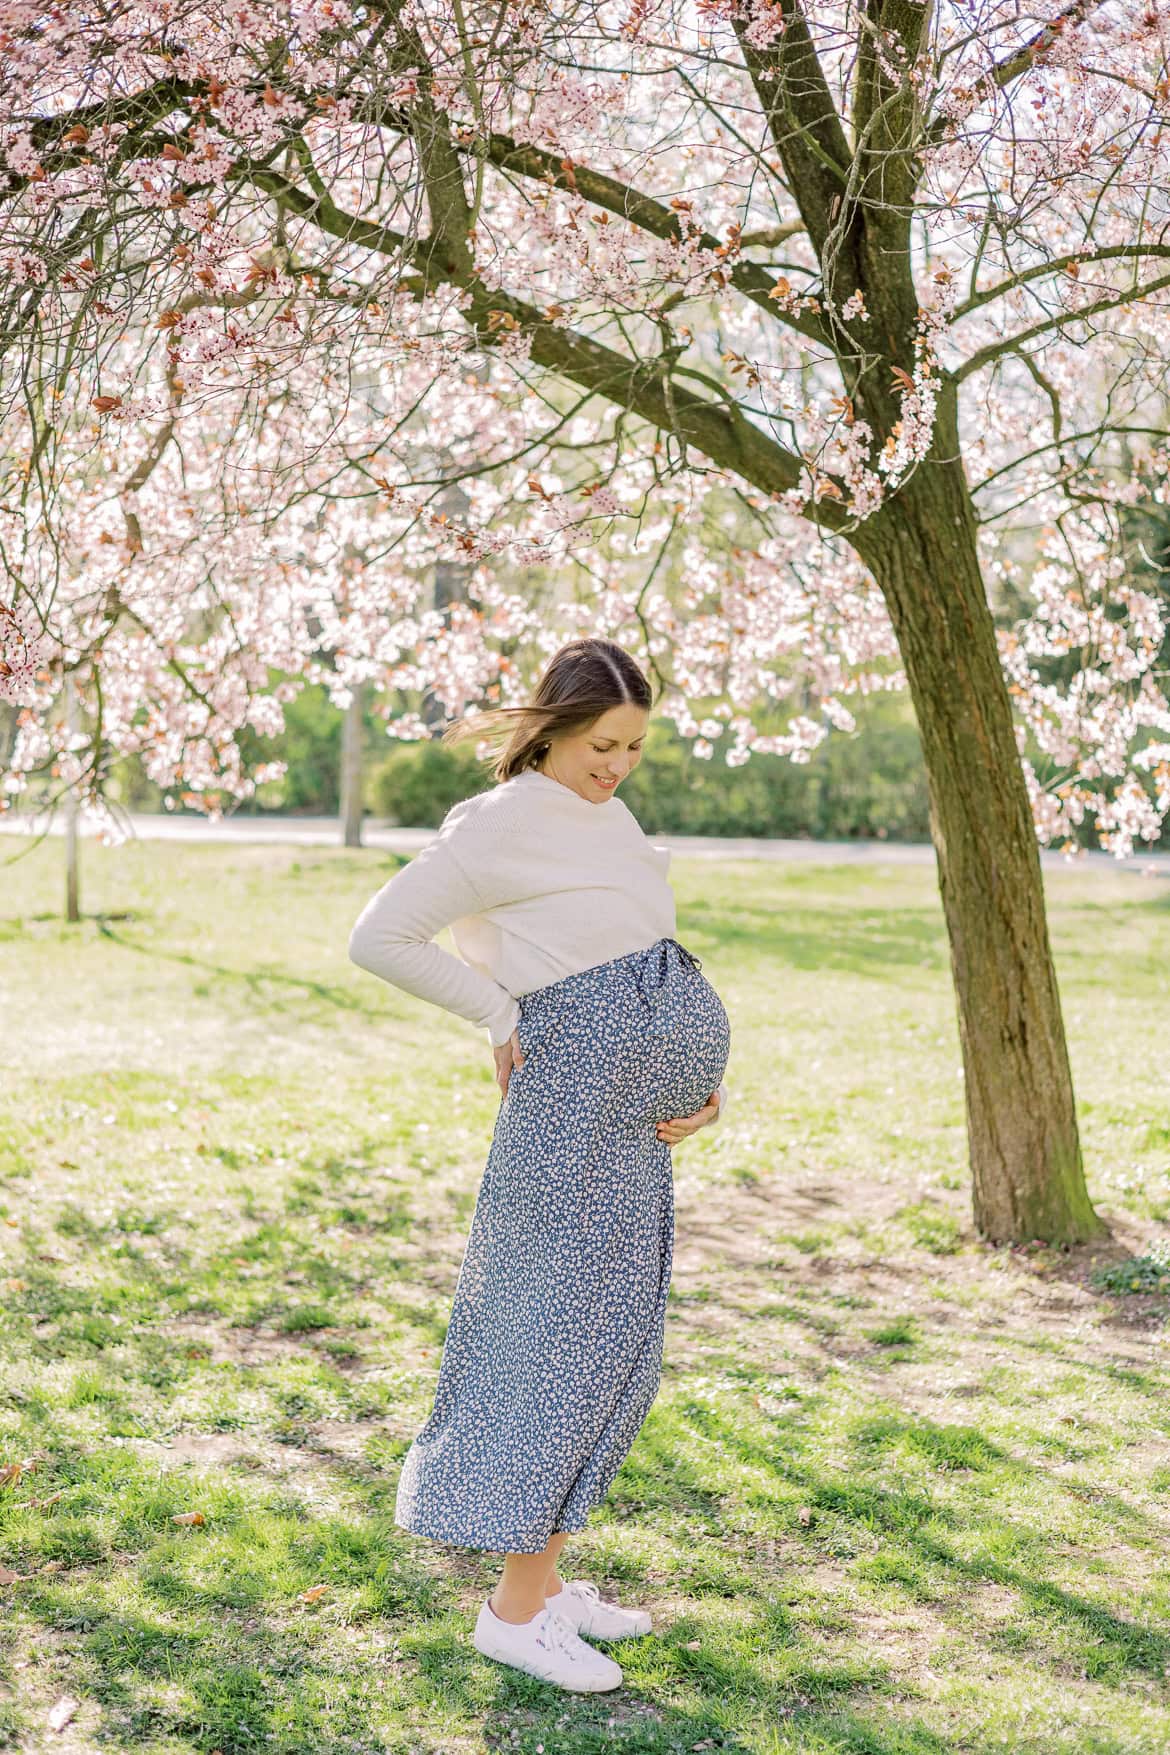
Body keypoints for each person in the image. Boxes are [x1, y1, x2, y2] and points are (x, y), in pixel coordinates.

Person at [347, 636, 732, 1693]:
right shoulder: (500, 826)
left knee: (611, 1347)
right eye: (603, 743)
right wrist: (498, 1016)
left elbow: (628, 948)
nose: (618, 765)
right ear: (552, 731)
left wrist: (691, 1085)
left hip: (628, 1124)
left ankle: (548, 1583)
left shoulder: (603, 812)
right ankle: (514, 1615)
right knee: (557, 1343)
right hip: (566, 1114)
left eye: (635, 748)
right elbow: (380, 938)